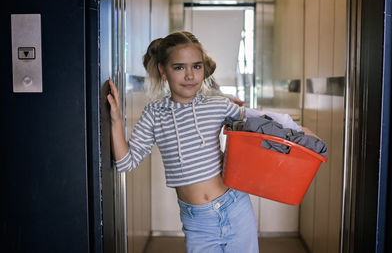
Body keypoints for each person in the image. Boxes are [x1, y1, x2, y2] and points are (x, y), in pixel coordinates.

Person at [107, 31, 301, 252]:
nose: (190, 75)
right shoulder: (154, 114)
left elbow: (258, 119)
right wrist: (115, 120)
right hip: (198, 224)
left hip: (236, 208)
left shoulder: (216, 105)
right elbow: (125, 162)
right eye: (179, 67)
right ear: (163, 70)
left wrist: (296, 128)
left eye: (196, 66)